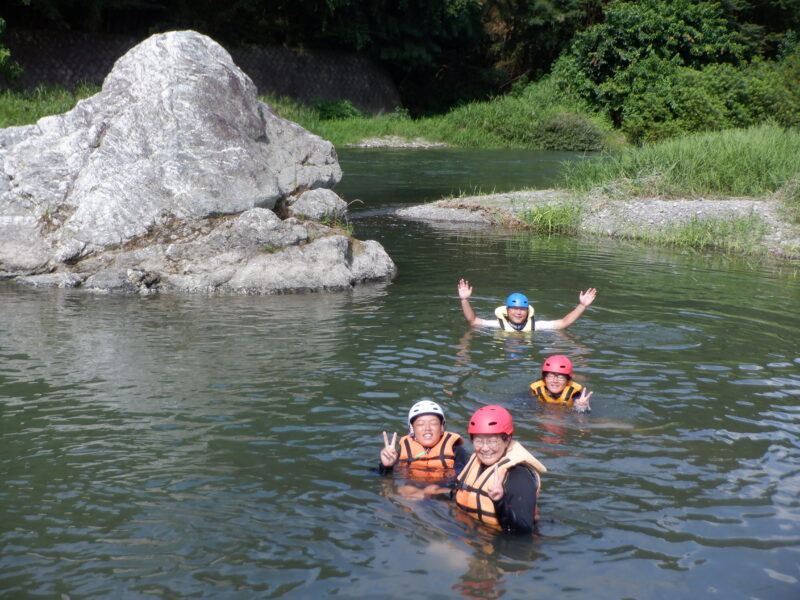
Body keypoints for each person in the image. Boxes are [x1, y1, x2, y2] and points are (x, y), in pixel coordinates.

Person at [453, 405, 547, 533]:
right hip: (471, 531)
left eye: (492, 441)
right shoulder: (475, 462)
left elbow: (522, 531)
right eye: (479, 441)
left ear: (507, 440)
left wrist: (499, 501)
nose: (485, 448)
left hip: (503, 544)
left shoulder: (519, 475)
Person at [457, 278, 597, 332]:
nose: (518, 312)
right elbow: (473, 321)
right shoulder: (497, 325)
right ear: (507, 310)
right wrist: (464, 300)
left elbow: (563, 323)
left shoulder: (536, 326)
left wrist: (582, 305)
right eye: (515, 309)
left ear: (528, 311)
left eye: (522, 309)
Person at [380, 399, 468, 480]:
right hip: (413, 492)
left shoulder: (457, 451)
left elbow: (462, 478)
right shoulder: (402, 451)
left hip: (441, 491)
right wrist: (386, 466)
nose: (427, 428)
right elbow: (382, 476)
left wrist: (436, 490)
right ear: (412, 429)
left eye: (433, 423)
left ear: (441, 428)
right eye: (420, 424)